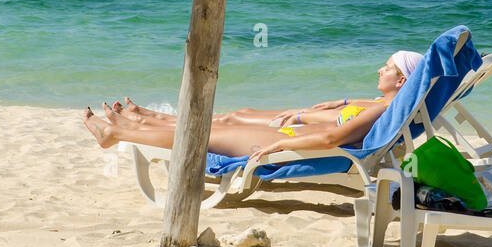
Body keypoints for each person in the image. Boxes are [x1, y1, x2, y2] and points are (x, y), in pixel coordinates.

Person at [82, 49, 423, 161]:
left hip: (298, 145)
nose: (380, 69)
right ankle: (132, 126)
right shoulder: (387, 104)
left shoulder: (382, 109)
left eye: (388, 67)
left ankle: (117, 133)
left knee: (204, 136)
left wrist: (283, 144)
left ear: (402, 81)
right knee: (220, 127)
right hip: (296, 136)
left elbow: (330, 140)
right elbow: (359, 112)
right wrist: (345, 101)